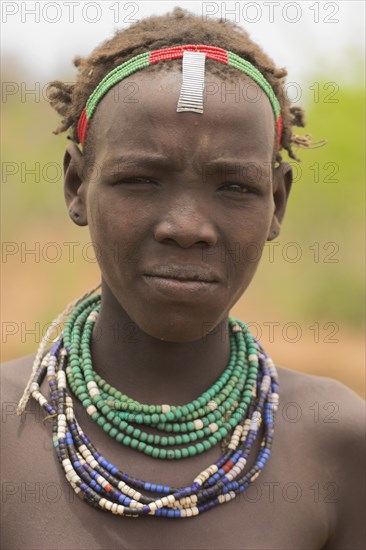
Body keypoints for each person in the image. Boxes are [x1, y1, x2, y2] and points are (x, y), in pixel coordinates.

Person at [1, 7, 364, 550]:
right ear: (78, 184)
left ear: (278, 201)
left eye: (234, 187)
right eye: (141, 179)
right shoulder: (9, 431)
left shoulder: (339, 443)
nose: (187, 228)